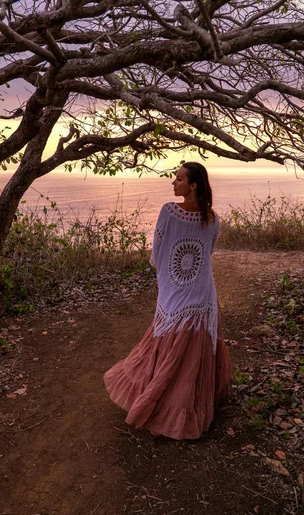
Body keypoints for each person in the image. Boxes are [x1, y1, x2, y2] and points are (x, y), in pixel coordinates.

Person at [104, 162, 231, 440]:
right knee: (193, 349)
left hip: (178, 288)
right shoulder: (213, 218)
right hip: (203, 292)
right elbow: (206, 253)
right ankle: (192, 404)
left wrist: (169, 282)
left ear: (193, 185)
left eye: (179, 179)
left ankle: (169, 407)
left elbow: (159, 253)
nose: (174, 183)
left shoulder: (169, 212)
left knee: (168, 342)